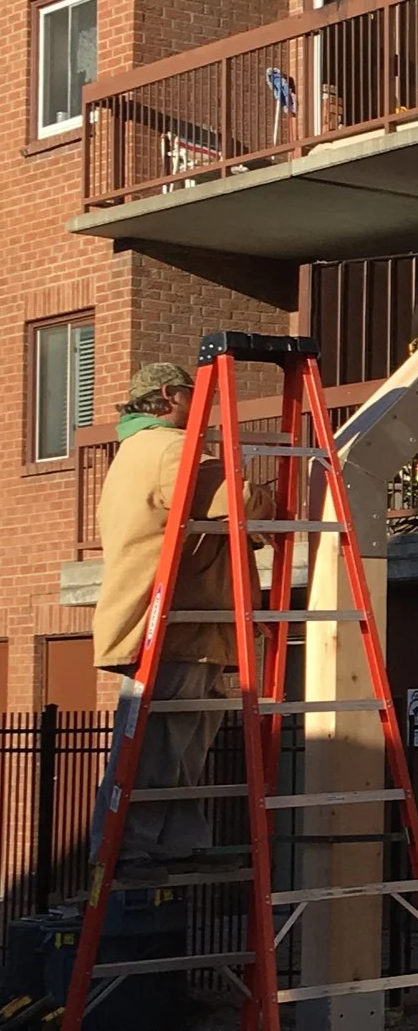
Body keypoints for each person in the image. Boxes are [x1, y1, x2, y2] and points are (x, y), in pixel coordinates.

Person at [88, 360, 245, 874]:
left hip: (177, 622)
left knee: (177, 744)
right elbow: (232, 500)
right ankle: (130, 849)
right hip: (173, 623)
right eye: (190, 395)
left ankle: (173, 842)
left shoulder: (132, 451)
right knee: (159, 748)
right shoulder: (171, 450)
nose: (203, 406)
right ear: (167, 395)